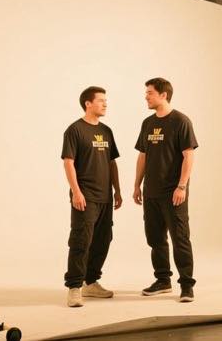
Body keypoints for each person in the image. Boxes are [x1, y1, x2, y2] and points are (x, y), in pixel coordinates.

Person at [133, 77, 198, 302]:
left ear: (163, 95)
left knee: (180, 238)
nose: (146, 97)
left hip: (173, 192)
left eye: (150, 93)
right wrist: (137, 185)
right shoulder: (147, 123)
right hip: (151, 192)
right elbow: (143, 155)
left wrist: (182, 186)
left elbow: (188, 156)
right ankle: (163, 280)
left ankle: (187, 285)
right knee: (155, 239)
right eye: (146, 93)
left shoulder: (181, 121)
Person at [61, 86, 122, 308]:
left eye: (106, 100)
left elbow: (111, 162)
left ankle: (91, 282)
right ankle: (74, 287)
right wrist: (76, 192)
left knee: (103, 239)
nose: (105, 104)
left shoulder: (106, 131)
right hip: (85, 196)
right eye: (101, 100)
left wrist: (117, 190)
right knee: (81, 240)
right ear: (88, 103)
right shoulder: (74, 130)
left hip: (105, 196)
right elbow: (68, 162)